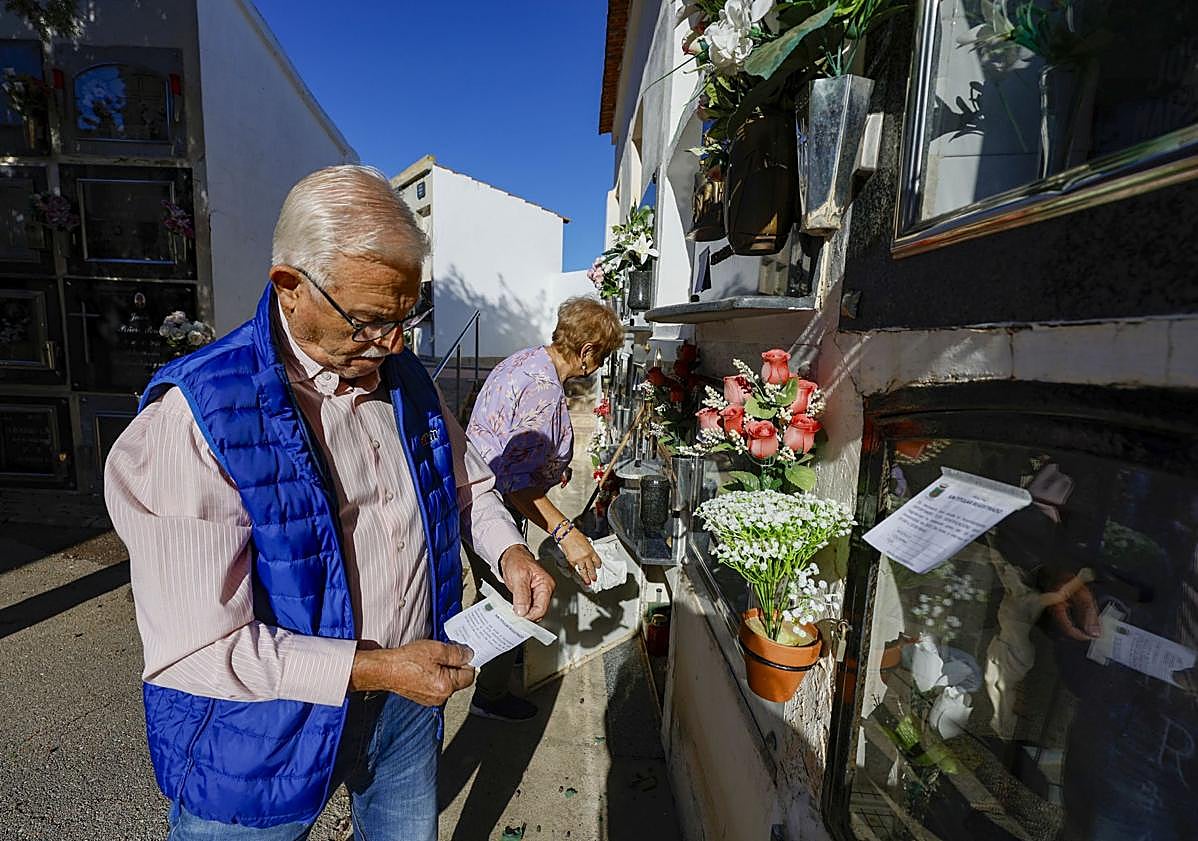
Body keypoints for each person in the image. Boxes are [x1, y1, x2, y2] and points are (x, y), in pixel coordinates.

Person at [104, 165, 555, 840]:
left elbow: (469, 485)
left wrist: (509, 546)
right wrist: (373, 667)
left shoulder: (404, 379)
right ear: (291, 289)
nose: (395, 343)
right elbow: (194, 650)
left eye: (408, 316)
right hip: (263, 727)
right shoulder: (197, 416)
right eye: (372, 320)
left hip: (405, 705)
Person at [463, 297, 624, 721]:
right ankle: (489, 695)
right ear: (588, 351)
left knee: (503, 593)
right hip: (489, 506)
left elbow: (519, 445)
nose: (600, 365)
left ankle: (503, 658)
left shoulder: (525, 360)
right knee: (514, 597)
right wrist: (567, 533)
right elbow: (514, 484)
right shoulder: (546, 391)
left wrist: (554, 467)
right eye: (602, 355)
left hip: (477, 494)